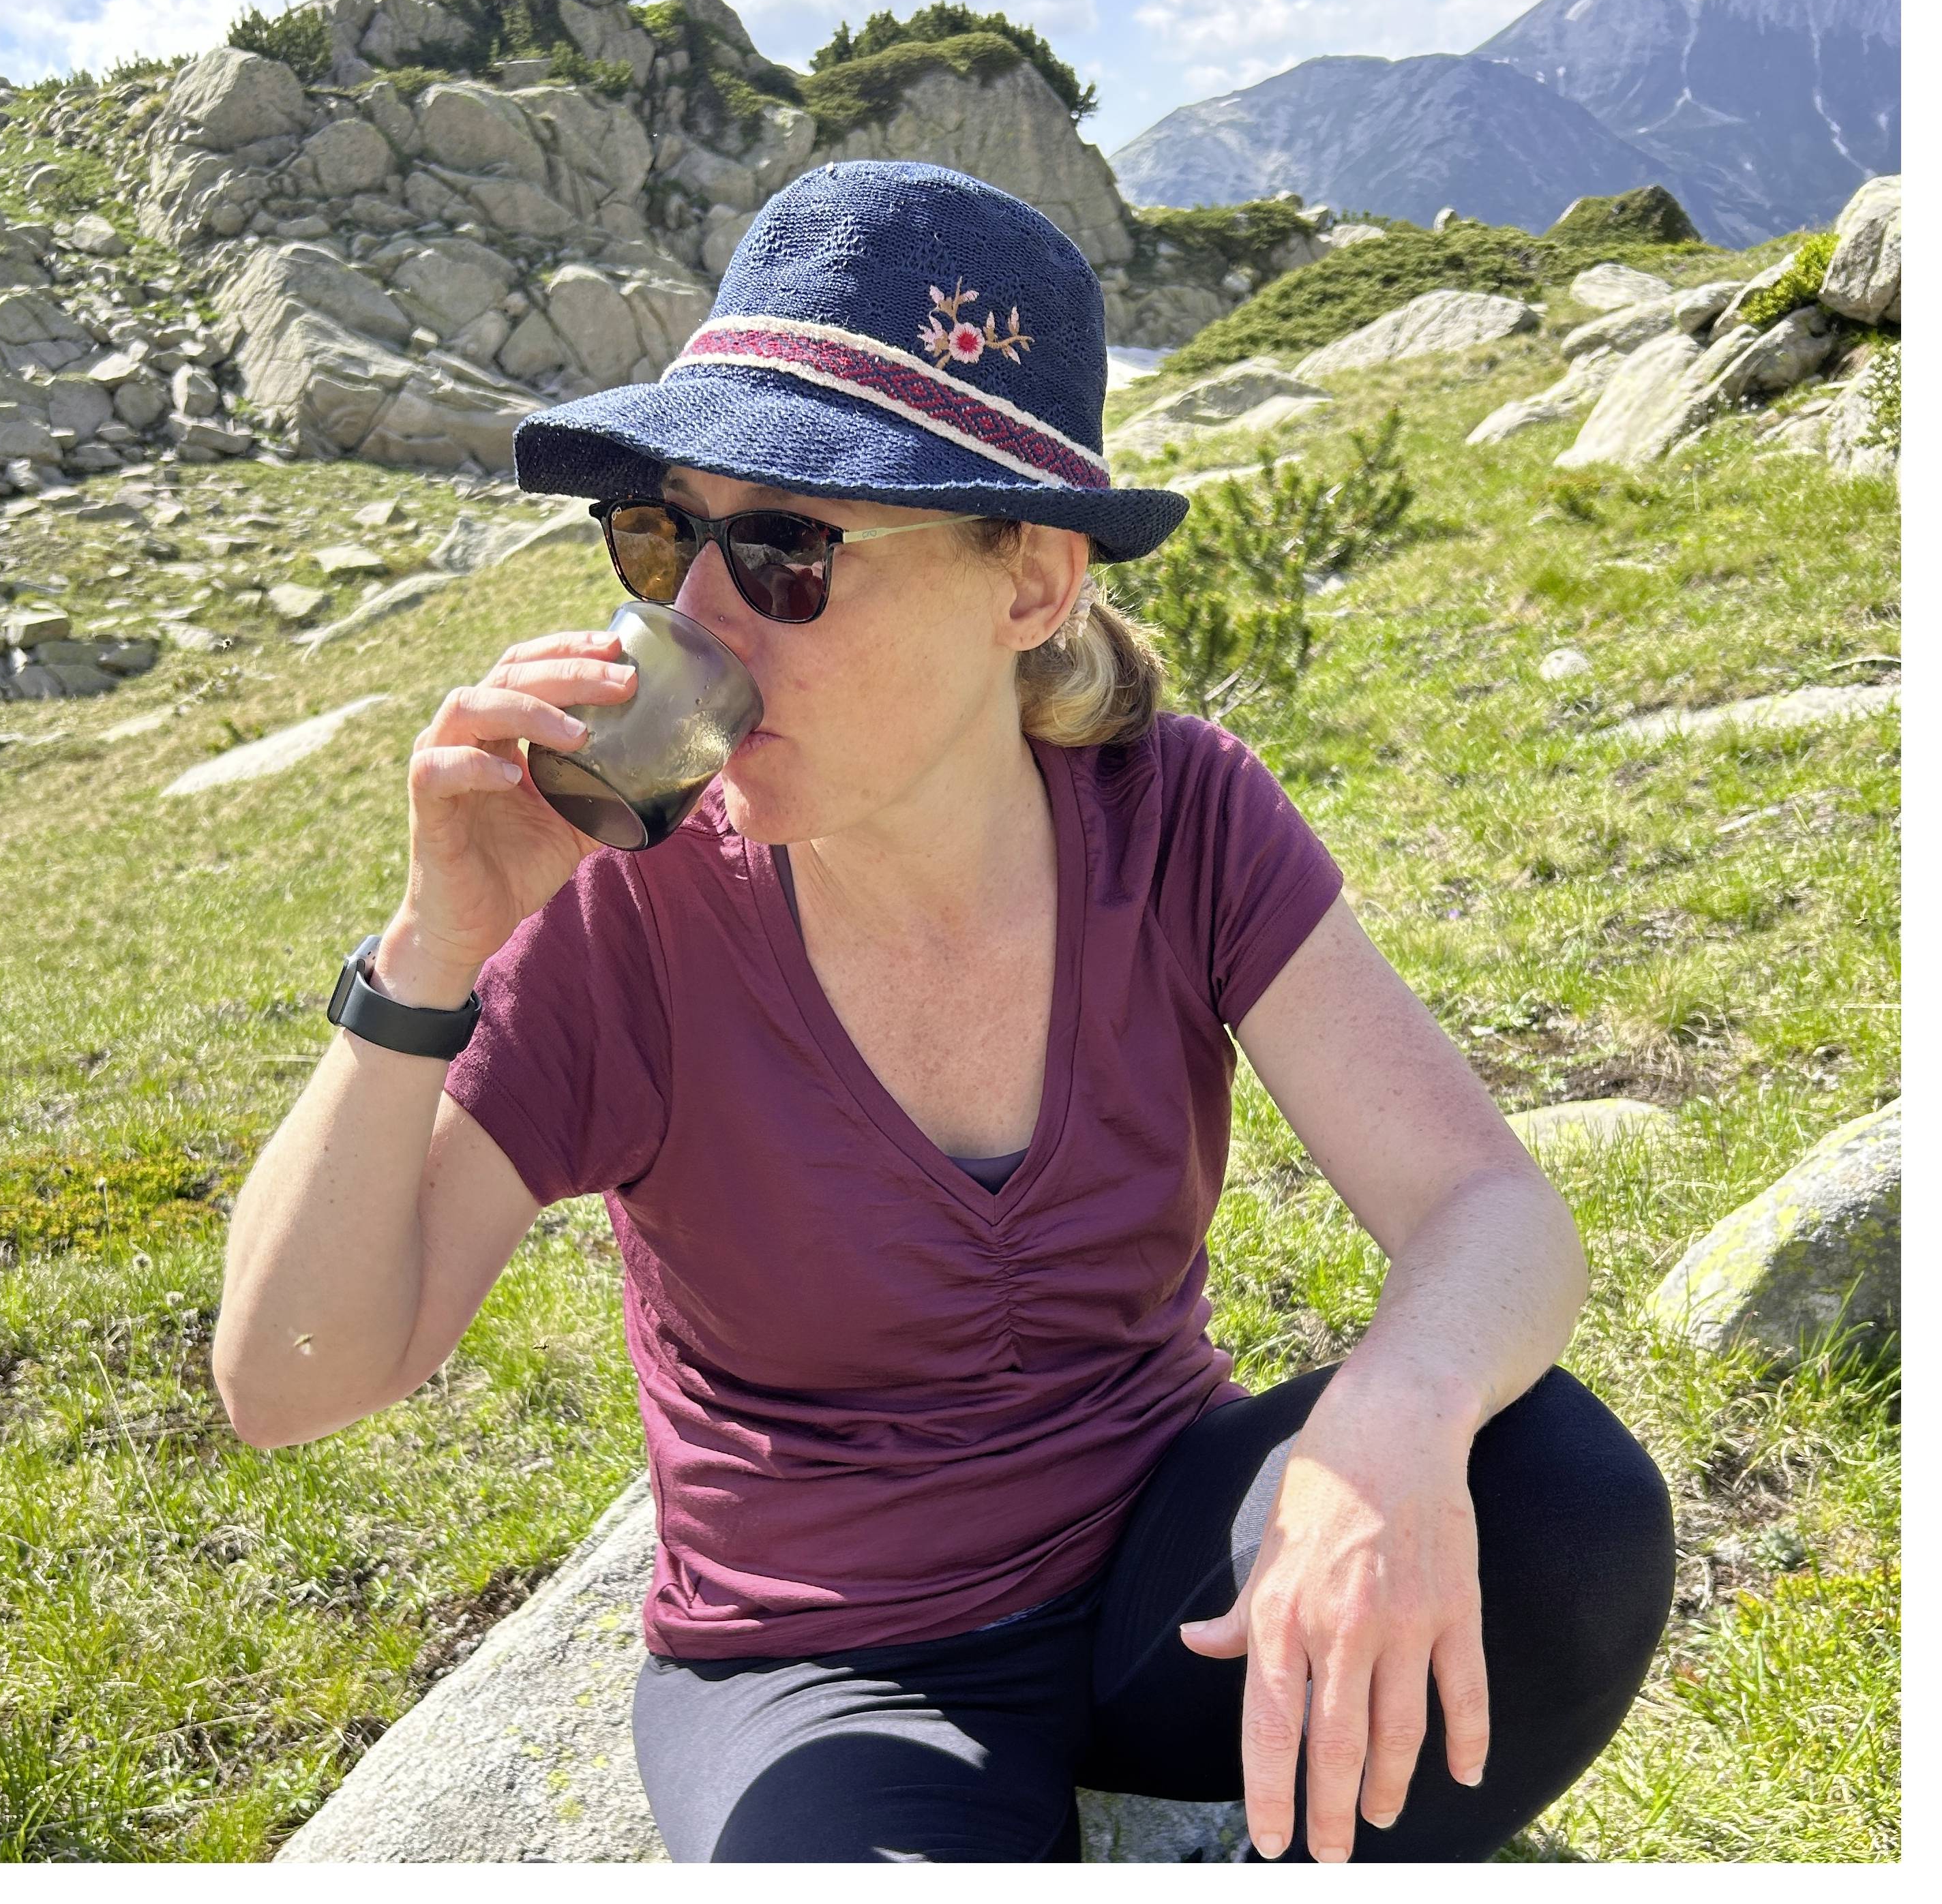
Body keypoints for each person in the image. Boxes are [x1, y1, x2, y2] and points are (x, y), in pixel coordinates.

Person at [215, 161, 1675, 1864]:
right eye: (662, 530)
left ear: (1033, 584)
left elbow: (1485, 1208)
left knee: (1559, 1505)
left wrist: (1395, 1417)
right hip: (834, 1669)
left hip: (1158, 1559)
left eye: (786, 552)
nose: (690, 619)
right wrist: (432, 944)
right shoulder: (630, 913)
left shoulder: (1173, 815)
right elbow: (292, 1378)